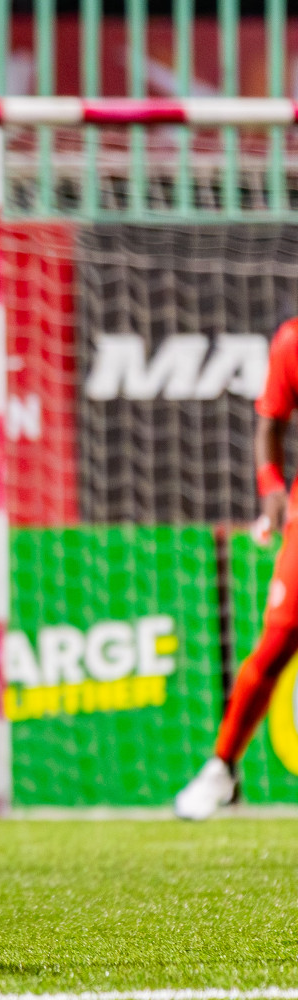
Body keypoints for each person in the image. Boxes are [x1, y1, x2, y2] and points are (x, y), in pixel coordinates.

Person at [177, 316, 298, 820]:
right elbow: (271, 425)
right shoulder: (292, 341)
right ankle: (222, 766)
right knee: (277, 642)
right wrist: (272, 490)